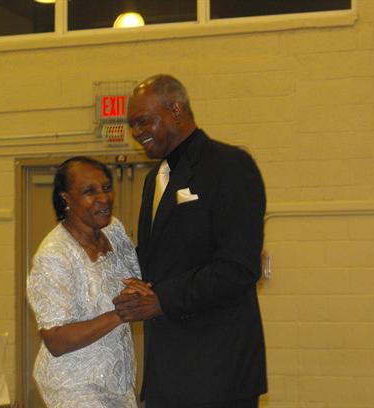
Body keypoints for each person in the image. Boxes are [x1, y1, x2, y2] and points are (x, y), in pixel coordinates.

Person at [113, 75, 267, 408]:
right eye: (132, 125)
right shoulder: (155, 179)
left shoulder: (229, 166)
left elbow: (239, 267)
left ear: (176, 110)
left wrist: (162, 300)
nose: (136, 132)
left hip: (218, 374)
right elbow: (158, 261)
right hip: (168, 373)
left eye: (143, 121)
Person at [27, 156, 140, 408]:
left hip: (118, 381)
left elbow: (136, 277)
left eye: (106, 188)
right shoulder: (55, 255)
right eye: (90, 191)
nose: (103, 198)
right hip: (74, 384)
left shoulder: (113, 230)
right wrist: (120, 314)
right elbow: (55, 340)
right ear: (66, 198)